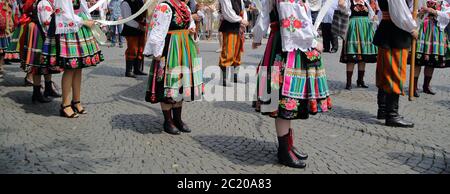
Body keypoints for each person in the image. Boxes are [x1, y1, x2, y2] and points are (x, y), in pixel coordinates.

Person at [253, 0, 332, 168]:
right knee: (284, 99)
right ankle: (283, 151)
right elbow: (291, 22)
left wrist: (258, 36)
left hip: (282, 43)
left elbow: (264, 14)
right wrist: (313, 43)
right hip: (288, 47)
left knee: (285, 99)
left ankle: (287, 145)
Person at [144, 0, 204, 135]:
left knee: (182, 82)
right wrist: (157, 53)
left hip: (185, 47)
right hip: (170, 48)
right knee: (168, 82)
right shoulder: (164, 6)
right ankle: (168, 120)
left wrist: (192, 30)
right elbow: (157, 30)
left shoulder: (185, 7)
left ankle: (178, 119)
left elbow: (191, 24)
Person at [43, 0, 104, 118]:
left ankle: (76, 101)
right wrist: (84, 21)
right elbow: (63, 13)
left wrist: (88, 19)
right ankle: (65, 105)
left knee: (78, 67)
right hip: (69, 27)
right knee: (70, 68)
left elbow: (83, 6)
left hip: (79, 25)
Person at [6, 0, 63, 103]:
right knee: (37, 63)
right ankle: (36, 93)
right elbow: (46, 22)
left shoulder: (45, 1)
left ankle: (48, 88)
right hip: (41, 33)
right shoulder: (43, 2)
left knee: (45, 63)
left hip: (40, 30)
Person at [373, 0, 417, 128]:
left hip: (388, 30)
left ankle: (383, 110)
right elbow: (399, 13)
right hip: (395, 33)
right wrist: (412, 28)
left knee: (384, 72)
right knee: (394, 74)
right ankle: (391, 115)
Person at [412, 0, 450, 97]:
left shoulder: (442, 2)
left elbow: (448, 15)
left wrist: (434, 11)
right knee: (418, 60)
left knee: (432, 61)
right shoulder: (420, 1)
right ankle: (414, 87)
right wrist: (421, 13)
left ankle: (426, 86)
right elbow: (412, 14)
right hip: (422, 31)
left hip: (436, 32)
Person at [340, 0, 379, 90]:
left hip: (365, 29)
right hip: (353, 29)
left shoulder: (366, 2)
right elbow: (342, 8)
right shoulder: (349, 2)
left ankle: (360, 80)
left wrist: (374, 18)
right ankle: (348, 82)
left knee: (362, 57)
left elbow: (372, 15)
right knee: (352, 56)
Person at [218, 0, 248, 86]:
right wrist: (241, 20)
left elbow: (243, 10)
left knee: (237, 54)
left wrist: (244, 21)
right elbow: (228, 13)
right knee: (228, 52)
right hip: (229, 27)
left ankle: (235, 77)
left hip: (238, 26)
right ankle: (224, 79)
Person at [121, 0, 148, 78]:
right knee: (132, 50)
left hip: (141, 29)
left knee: (141, 49)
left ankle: (137, 69)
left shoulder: (140, 1)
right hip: (131, 30)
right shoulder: (125, 3)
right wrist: (139, 26)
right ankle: (128, 71)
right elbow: (128, 20)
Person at [0, 0, 20, 79]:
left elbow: (11, 12)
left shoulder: (7, 3)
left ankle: (1, 66)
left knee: (2, 50)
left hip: (4, 28)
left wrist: (11, 22)